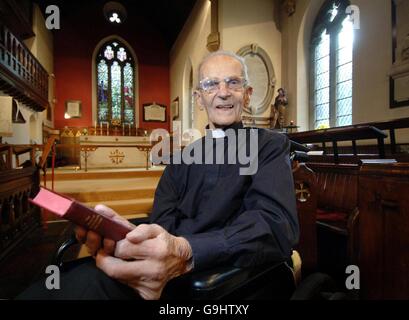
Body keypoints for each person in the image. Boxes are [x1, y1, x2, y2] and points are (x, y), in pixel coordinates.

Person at [18, 50, 299, 300]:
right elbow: (162, 219)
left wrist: (186, 251)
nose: (223, 92)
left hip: (211, 279)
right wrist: (127, 236)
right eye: (211, 84)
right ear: (199, 99)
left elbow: (276, 225)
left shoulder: (269, 146)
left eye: (233, 82)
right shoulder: (181, 159)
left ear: (246, 94)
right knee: (60, 283)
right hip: (151, 268)